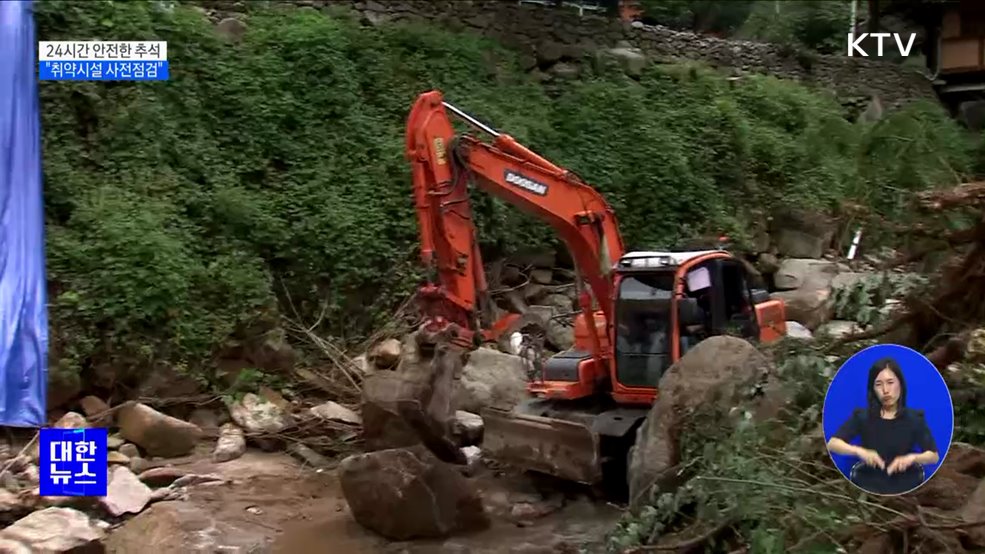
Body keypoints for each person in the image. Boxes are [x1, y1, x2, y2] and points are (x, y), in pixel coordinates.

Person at [826, 357, 940, 495]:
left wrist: (912, 458)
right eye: (878, 384)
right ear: (872, 389)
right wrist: (859, 451)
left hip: (906, 483)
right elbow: (833, 443)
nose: (885, 390)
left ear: (901, 384)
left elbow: (933, 456)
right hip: (868, 482)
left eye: (890, 382)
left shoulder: (915, 418)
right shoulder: (863, 416)